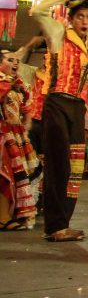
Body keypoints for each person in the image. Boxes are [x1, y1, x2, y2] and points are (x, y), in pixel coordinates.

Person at [30, 0, 88, 242]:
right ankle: (55, 226)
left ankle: (63, 223)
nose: (85, 22)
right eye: (80, 17)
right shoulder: (58, 34)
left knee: (75, 167)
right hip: (55, 102)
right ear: (71, 19)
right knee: (58, 165)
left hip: (77, 106)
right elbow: (37, 11)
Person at [0, 47, 41, 231]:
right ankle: (3, 217)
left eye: (16, 60)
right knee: (5, 175)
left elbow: (26, 110)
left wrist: (25, 126)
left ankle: (12, 214)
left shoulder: (18, 85)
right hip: (4, 134)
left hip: (17, 134)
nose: (15, 62)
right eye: (10, 60)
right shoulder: (3, 84)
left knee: (19, 176)